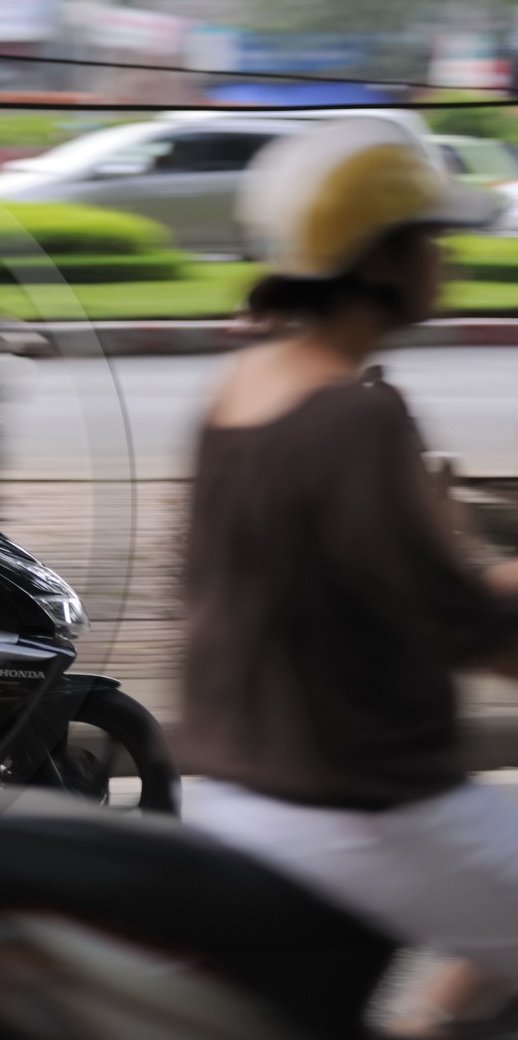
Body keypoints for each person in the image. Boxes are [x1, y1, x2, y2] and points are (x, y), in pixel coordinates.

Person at [180, 117, 518, 1036]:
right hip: (361, 801)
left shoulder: (241, 390)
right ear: (380, 261)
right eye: (431, 241)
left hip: (239, 783)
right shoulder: (352, 419)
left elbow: (375, 576)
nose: (444, 262)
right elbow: (466, 625)